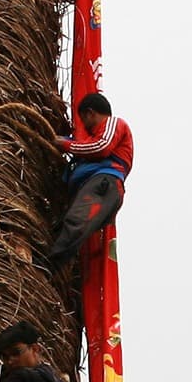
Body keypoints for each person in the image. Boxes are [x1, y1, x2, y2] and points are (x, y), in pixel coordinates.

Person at [44, 95, 132, 276]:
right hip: (95, 185)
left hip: (104, 183)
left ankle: (49, 266)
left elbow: (101, 147)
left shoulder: (114, 123)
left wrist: (66, 145)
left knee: (76, 221)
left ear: (90, 113)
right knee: (66, 225)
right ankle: (50, 261)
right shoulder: (89, 138)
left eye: (84, 119)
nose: (84, 125)